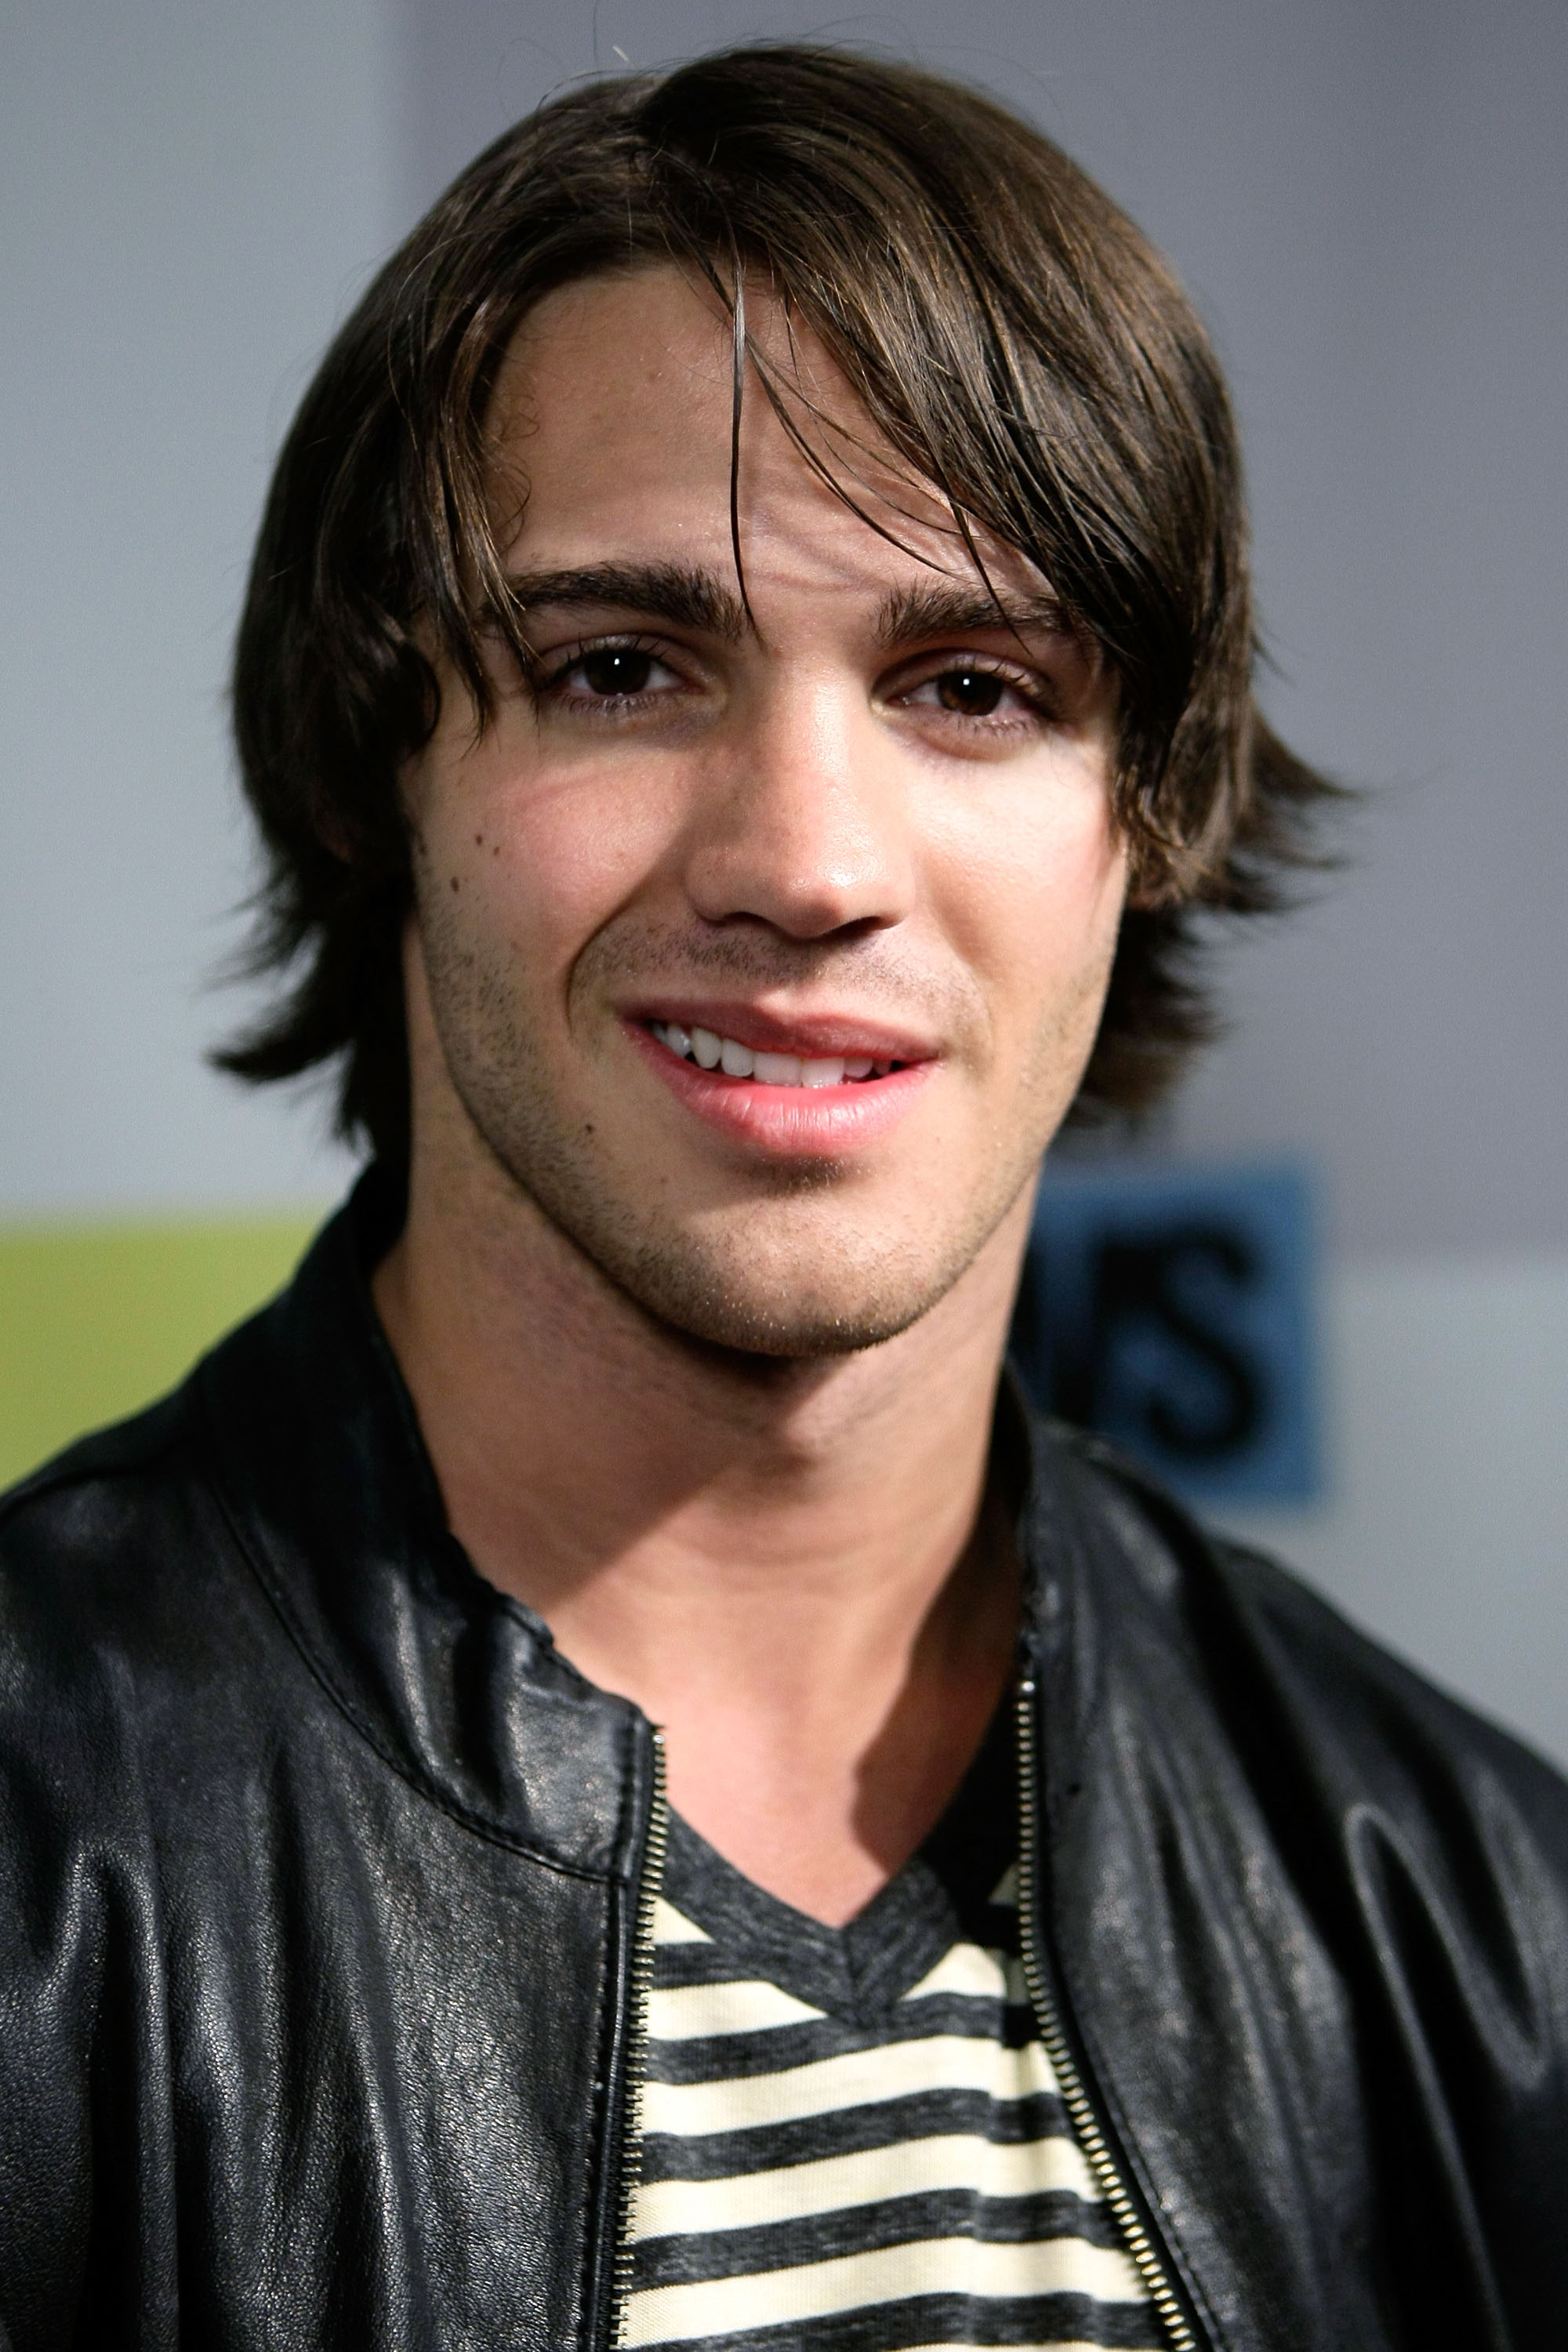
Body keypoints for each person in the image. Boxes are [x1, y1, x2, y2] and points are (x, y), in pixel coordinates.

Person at [1, 42, 1564, 2352]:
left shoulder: (1476, 1931)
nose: (808, 862)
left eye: (968, 684)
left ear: (1149, 815)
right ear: (377, 765)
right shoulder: (47, 1871)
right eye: (621, 667)